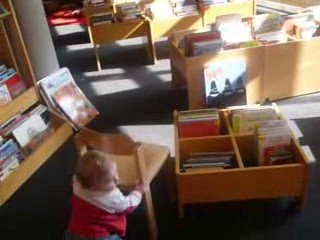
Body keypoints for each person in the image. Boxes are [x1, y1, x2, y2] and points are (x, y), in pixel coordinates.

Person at [66, 150, 146, 240]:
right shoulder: (111, 198)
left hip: (74, 232)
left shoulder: (77, 183)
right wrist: (138, 192)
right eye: (109, 181)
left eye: (116, 172)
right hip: (98, 236)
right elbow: (128, 205)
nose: (117, 179)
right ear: (93, 187)